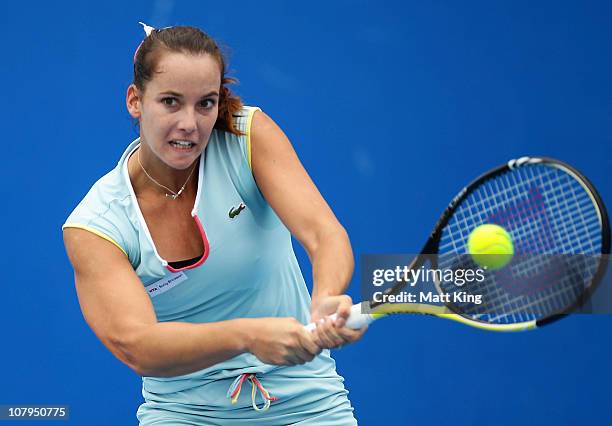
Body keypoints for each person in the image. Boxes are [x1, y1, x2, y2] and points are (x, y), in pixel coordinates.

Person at [62, 22, 367, 425]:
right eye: (171, 102)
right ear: (135, 101)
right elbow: (138, 346)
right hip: (183, 413)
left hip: (308, 404)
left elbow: (323, 233)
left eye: (205, 103)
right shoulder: (96, 225)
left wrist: (325, 296)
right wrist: (248, 336)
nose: (190, 122)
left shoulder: (247, 135)